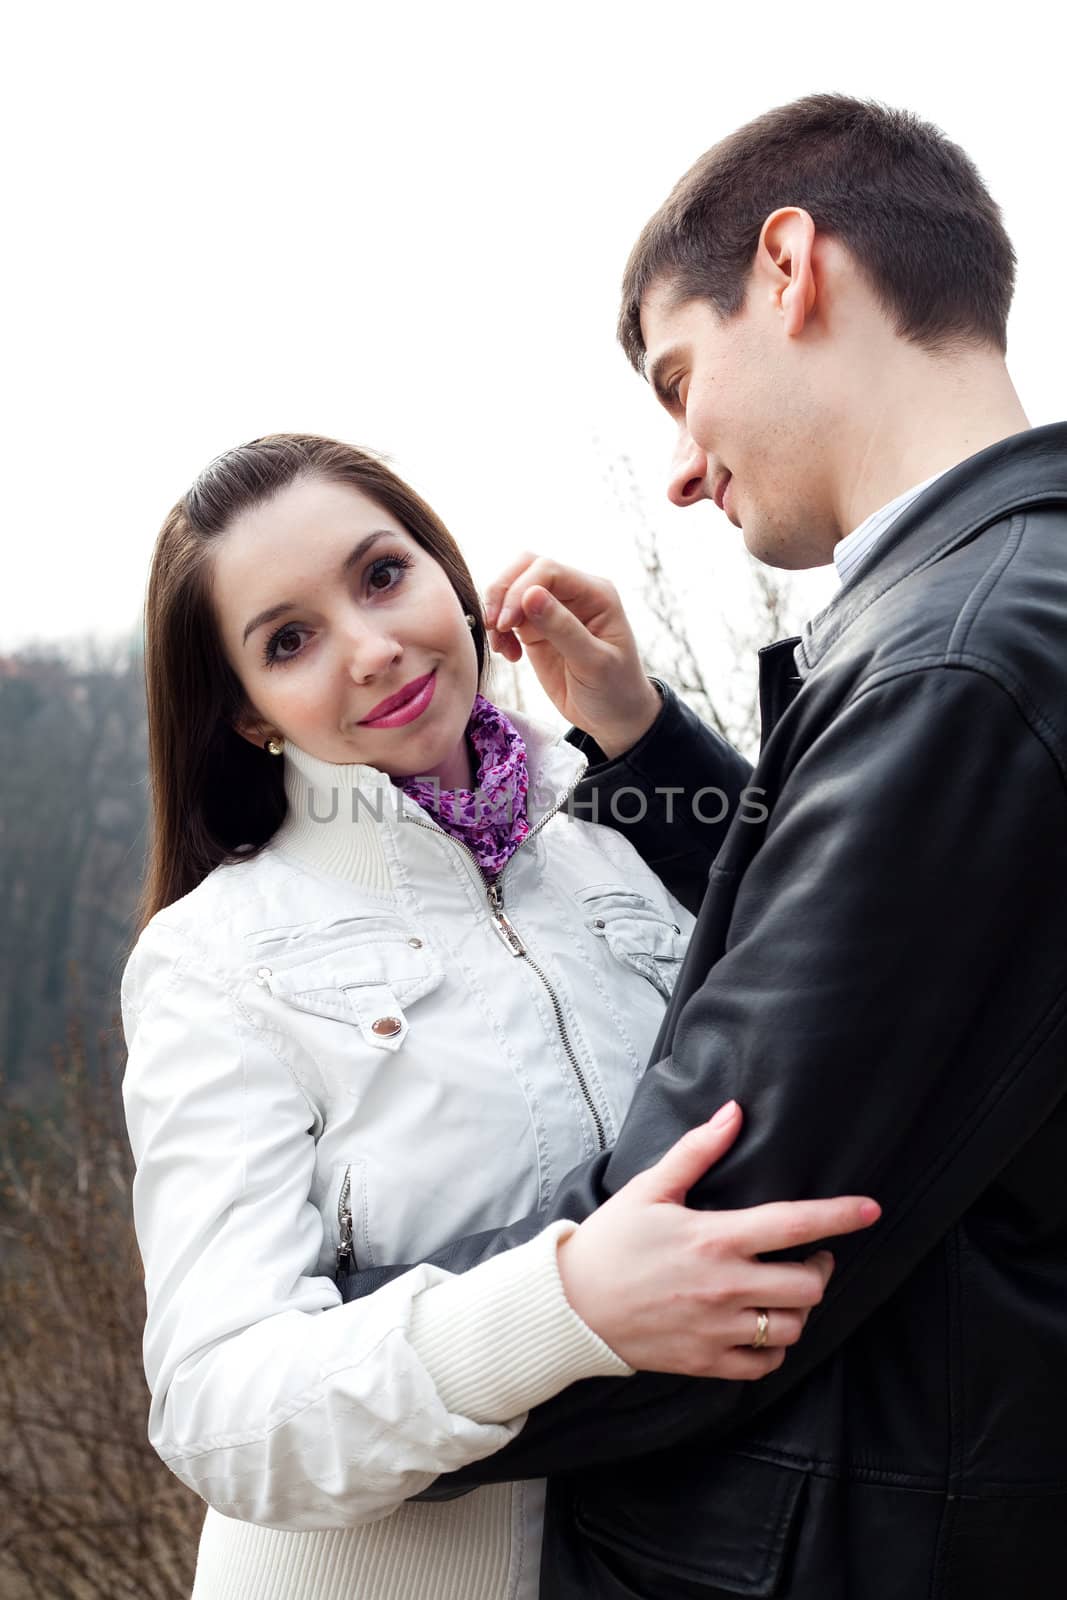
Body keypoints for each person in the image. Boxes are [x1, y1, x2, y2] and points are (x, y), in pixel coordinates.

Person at [339, 95, 1067, 1597]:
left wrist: (315, 1358)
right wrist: (642, 736)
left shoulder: (958, 663)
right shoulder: (987, 618)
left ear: (788, 267)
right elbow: (885, 955)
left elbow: (716, 1228)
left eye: (680, 380)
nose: (678, 465)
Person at [120, 433, 878, 1600]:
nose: (372, 648)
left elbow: (841, 961)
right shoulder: (211, 959)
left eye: (382, 575)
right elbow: (224, 1407)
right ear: (249, 714)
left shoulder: (617, 835)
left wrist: (640, 725)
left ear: (448, 571)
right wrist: (559, 1304)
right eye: (289, 639)